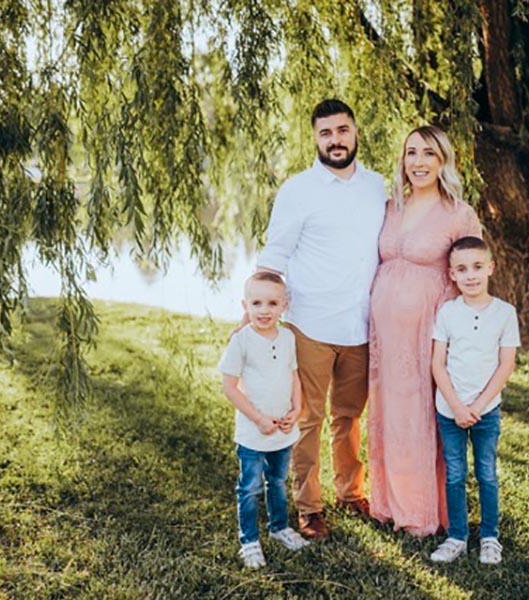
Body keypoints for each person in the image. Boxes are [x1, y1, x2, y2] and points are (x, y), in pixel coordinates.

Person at [256, 99, 387, 539]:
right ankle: (309, 507)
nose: (335, 139)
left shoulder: (377, 187)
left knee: (349, 416)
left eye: (342, 130)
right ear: (315, 138)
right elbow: (275, 254)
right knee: (307, 418)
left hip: (361, 324)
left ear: (355, 132)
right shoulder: (297, 191)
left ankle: (352, 493)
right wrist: (255, 305)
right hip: (310, 323)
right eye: (326, 132)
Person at [368, 125, 483, 536]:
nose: (417, 162)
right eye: (411, 153)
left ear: (442, 161)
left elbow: (473, 273)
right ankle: (386, 502)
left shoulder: (458, 212)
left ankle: (421, 511)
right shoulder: (390, 205)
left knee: (421, 414)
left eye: (428, 154)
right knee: (390, 412)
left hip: (428, 331)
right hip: (385, 332)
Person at [429, 236, 520, 564]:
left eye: (478, 267)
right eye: (462, 269)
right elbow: (437, 363)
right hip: (449, 410)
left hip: (487, 411)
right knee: (455, 473)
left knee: (486, 472)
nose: (471, 275)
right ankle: (456, 536)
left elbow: (506, 365)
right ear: (452, 274)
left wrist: (478, 407)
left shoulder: (505, 313)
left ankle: (490, 537)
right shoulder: (448, 312)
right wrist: (455, 406)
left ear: (490, 269)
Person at [219, 272, 310, 569]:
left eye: (272, 303)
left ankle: (279, 527)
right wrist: (258, 419)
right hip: (253, 432)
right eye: (256, 303)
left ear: (284, 305)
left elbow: (294, 375)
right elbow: (229, 386)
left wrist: (296, 411)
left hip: (282, 430)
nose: (264, 310)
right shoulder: (241, 341)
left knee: (278, 481)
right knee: (249, 488)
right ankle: (249, 541)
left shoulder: (287, 338)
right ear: (245, 305)